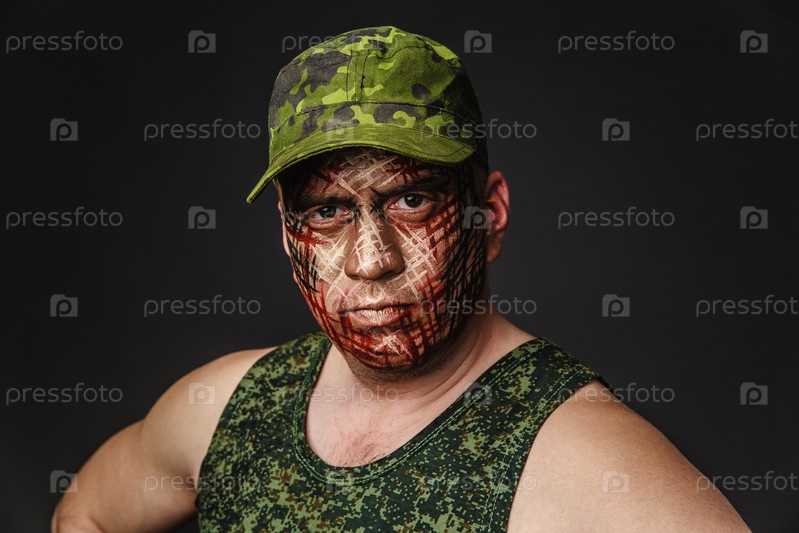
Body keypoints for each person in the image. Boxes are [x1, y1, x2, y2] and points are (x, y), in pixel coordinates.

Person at [52, 25, 750, 532]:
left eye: (411, 200)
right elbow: (86, 513)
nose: (371, 258)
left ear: (489, 213)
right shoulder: (227, 408)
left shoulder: (585, 460)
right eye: (327, 211)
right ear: (287, 230)